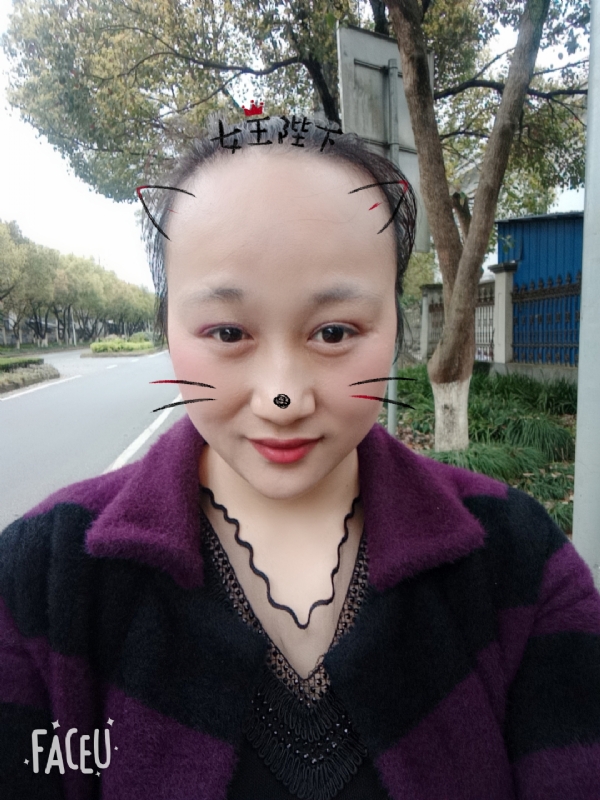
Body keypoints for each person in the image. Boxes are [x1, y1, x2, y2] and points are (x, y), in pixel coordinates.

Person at [1, 110, 599, 800]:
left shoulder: (518, 564)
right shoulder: (42, 582)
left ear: (396, 325)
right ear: (167, 326)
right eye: (228, 333)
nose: (282, 397)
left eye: (335, 332)